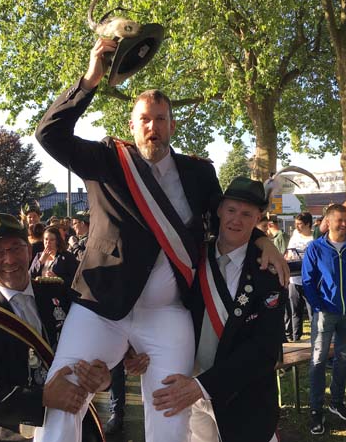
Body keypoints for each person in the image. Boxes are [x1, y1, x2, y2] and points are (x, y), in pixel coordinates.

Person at [33, 37, 289, 442]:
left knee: (171, 409)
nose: (152, 127)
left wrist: (262, 240)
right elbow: (49, 134)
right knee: (66, 392)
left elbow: (225, 220)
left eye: (160, 119)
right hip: (100, 307)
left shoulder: (199, 173)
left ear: (172, 125)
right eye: (144, 120)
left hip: (167, 313)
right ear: (131, 126)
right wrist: (90, 79)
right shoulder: (107, 160)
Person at [152, 177, 286, 442]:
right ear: (220, 210)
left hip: (243, 398)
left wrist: (202, 386)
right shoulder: (192, 257)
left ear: (258, 218)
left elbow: (265, 349)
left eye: (246, 214)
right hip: (189, 389)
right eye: (231, 210)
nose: (237, 219)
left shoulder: (269, 272)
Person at [0, 213, 109, 442]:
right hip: (17, 435)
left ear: (28, 251)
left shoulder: (60, 293)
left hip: (77, 427)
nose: (9, 259)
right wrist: (42, 398)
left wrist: (103, 378)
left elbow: (95, 345)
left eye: (16, 248)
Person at [301, 204, 346, 435]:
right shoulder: (315, 248)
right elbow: (307, 280)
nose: (345, 224)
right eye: (340, 220)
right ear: (328, 222)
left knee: (343, 358)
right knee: (318, 361)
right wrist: (318, 307)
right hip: (325, 313)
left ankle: (336, 402)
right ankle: (316, 410)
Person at [284, 211, 315, 341]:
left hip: (309, 280)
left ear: (308, 224)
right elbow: (288, 254)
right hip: (294, 280)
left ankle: (315, 338)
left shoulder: (313, 239)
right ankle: (296, 338)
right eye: (296, 224)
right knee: (295, 311)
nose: (297, 226)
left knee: (312, 312)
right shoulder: (295, 236)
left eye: (300, 224)